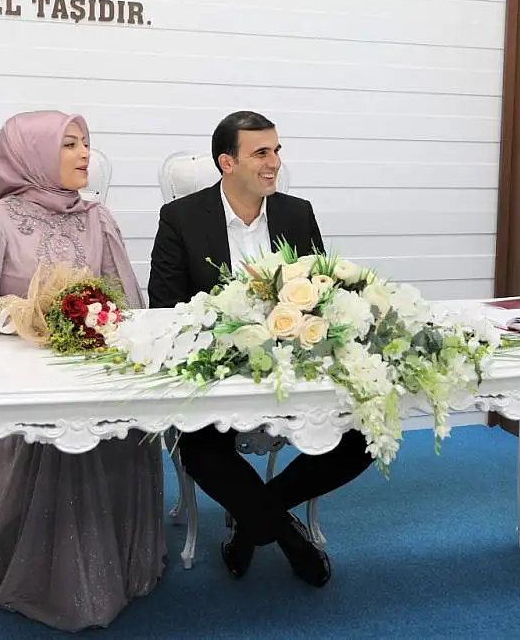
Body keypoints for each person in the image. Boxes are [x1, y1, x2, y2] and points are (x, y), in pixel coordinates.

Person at [0, 111, 166, 629]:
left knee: (111, 421)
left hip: (92, 371)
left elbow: (126, 305)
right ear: (31, 154)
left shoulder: (98, 218)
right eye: (69, 144)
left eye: (85, 143)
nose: (85, 154)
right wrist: (31, 322)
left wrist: (95, 327)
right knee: (52, 430)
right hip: (14, 380)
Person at [147, 110, 374, 587]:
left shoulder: (297, 213)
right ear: (226, 162)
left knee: (364, 437)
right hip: (217, 371)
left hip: (293, 366)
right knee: (200, 449)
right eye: (261, 153)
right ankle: (288, 536)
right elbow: (166, 307)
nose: (274, 163)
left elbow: (322, 295)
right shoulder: (181, 218)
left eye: (276, 151)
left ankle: (252, 525)